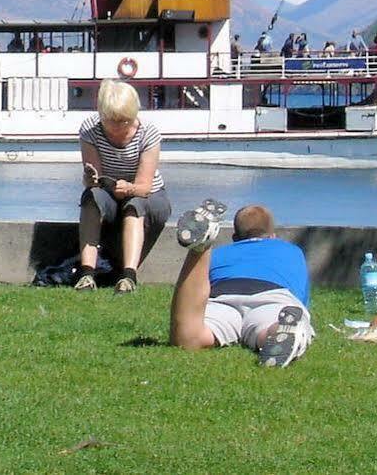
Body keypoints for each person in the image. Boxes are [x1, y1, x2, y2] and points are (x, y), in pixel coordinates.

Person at [168, 202, 314, 368]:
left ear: (235, 238)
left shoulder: (220, 253)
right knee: (266, 329)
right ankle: (277, 330)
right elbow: (301, 296)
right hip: (273, 295)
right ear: (273, 236)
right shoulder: (291, 251)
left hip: (224, 296)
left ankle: (200, 249)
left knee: (191, 339)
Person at [74, 79, 169, 293]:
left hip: (147, 194)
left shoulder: (148, 133)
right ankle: (87, 273)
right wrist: (91, 179)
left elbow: (144, 187)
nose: (118, 127)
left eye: (124, 121)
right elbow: (94, 177)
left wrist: (129, 188)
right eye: (112, 121)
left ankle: (128, 276)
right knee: (91, 198)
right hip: (109, 191)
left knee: (134, 205)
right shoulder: (90, 129)